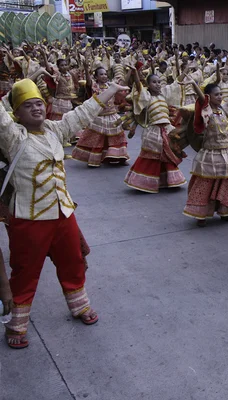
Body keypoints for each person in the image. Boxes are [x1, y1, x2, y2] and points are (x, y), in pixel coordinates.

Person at [0, 78, 128, 349]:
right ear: (17, 114)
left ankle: (79, 305)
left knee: (73, 261)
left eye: (38, 103)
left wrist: (112, 91)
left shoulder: (55, 130)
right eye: (27, 106)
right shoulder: (13, 136)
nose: (36, 109)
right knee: (25, 271)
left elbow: (82, 113)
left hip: (63, 213)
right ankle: (18, 323)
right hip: (29, 218)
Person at [183, 83, 228, 226]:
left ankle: (225, 212)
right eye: (216, 94)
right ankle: (200, 214)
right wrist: (194, 85)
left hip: (226, 152)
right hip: (210, 153)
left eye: (221, 94)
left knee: (227, 183)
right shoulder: (206, 111)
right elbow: (202, 99)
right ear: (209, 97)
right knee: (205, 184)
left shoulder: (223, 110)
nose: (220, 97)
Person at [124, 67, 187, 193]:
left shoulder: (164, 95)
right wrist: (136, 74)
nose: (157, 84)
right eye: (154, 82)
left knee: (168, 155)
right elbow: (138, 87)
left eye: (159, 82)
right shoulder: (146, 97)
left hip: (168, 129)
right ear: (148, 84)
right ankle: (145, 181)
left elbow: (175, 85)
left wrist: (184, 72)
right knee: (153, 155)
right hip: (154, 131)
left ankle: (167, 180)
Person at [71, 66, 130, 167]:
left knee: (118, 137)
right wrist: (86, 69)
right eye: (101, 74)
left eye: (105, 74)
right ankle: (95, 159)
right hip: (99, 117)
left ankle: (120, 158)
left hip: (112, 116)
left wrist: (131, 72)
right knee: (97, 139)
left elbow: (123, 85)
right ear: (96, 77)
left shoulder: (111, 85)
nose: (104, 76)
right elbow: (88, 83)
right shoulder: (94, 86)